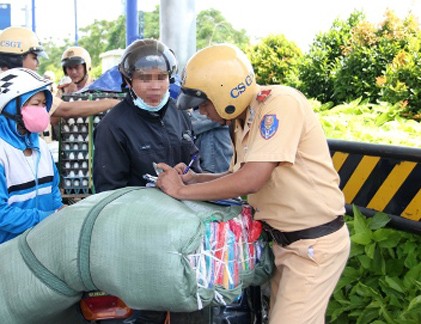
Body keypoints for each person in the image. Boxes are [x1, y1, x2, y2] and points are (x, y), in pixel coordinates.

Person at [156, 44, 351, 323]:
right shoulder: (243, 117)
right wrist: (193, 178)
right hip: (285, 245)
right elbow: (237, 174)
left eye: (203, 103)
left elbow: (252, 179)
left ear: (226, 93)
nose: (200, 112)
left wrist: (182, 191)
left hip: (312, 245)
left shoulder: (279, 105)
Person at [92, 39, 204, 323]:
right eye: (145, 79)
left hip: (183, 232)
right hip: (140, 237)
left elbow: (195, 162)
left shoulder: (180, 114)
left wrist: (187, 174)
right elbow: (109, 194)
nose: (155, 87)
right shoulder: (113, 126)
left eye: (161, 78)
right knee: (147, 310)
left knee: (187, 306)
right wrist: (154, 188)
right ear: (129, 81)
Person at [0, 68, 64, 244]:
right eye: (36, 104)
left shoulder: (42, 147)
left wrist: (60, 211)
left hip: (42, 247)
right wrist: (49, 217)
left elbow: (53, 192)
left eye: (44, 104)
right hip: (7, 253)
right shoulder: (2, 152)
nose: (42, 110)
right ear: (12, 106)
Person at [0, 26, 118, 119]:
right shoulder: (23, 87)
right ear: (16, 58)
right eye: (34, 57)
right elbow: (66, 110)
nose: (37, 63)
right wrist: (114, 103)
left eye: (77, 67)